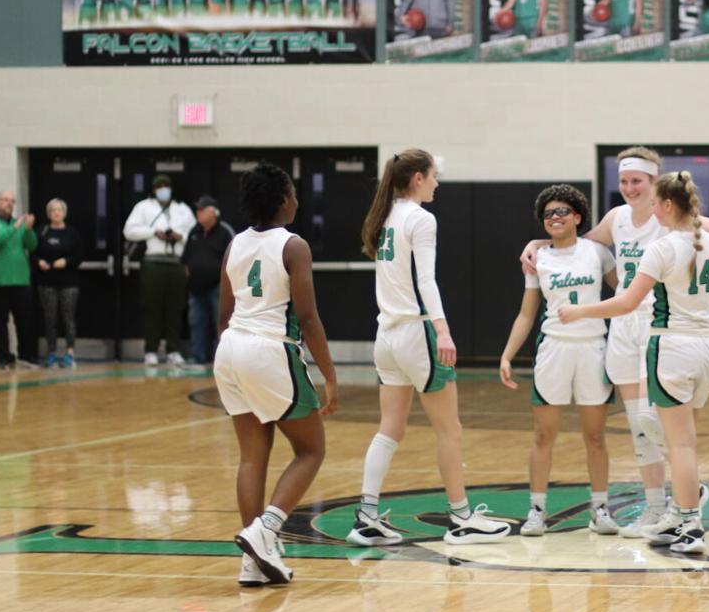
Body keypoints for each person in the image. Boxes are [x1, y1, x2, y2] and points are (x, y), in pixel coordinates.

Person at [518, 147, 709, 538]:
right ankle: (657, 508)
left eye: (636, 181)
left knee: (656, 421)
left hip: (658, 324)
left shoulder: (672, 222)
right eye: (623, 181)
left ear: (655, 184)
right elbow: (577, 246)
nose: (629, 188)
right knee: (637, 426)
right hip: (622, 324)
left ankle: (686, 498)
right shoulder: (617, 219)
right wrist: (539, 244)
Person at [346, 149, 510, 547]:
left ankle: (366, 517)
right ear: (417, 178)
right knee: (449, 429)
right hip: (417, 334)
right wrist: (444, 330)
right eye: (434, 176)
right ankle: (461, 518)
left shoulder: (383, 216)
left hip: (385, 335)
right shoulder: (421, 218)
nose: (438, 183)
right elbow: (427, 281)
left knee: (390, 428)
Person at [220, 163, 337, 587]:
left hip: (230, 348)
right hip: (270, 350)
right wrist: (330, 375)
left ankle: (253, 563)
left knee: (252, 456)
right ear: (283, 200)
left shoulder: (233, 244)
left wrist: (236, 357)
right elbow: (307, 317)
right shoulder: (294, 246)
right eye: (293, 193)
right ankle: (265, 530)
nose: (297, 200)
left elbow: (223, 315)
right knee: (311, 450)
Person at [497, 185, 620, 537]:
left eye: (562, 212)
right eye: (549, 214)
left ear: (578, 217)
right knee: (543, 434)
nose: (555, 218)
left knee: (595, 436)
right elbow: (526, 314)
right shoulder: (537, 259)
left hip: (593, 348)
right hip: (553, 349)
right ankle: (537, 510)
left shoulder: (597, 253)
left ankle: (600, 509)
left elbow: (625, 296)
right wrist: (507, 354)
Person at [122, 174, 195, 365]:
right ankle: (151, 350)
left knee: (175, 307)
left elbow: (194, 234)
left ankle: (173, 349)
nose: (163, 189)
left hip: (176, 262)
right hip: (153, 262)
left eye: (166, 186)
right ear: (154, 190)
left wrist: (179, 236)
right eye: (159, 186)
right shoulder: (144, 207)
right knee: (151, 307)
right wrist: (154, 232)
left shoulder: (183, 210)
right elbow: (129, 231)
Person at [0, 190, 38, 370]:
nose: (9, 203)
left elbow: (32, 245)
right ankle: (2, 358)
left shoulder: (18, 224)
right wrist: (14, 228)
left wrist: (27, 230)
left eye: (12, 201)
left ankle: (26, 356)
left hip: (20, 280)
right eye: (5, 200)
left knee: (24, 320)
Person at [183, 196, 235, 365]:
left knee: (221, 323)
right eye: (197, 210)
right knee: (196, 323)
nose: (197, 213)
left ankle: (223, 360)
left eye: (201, 210)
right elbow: (186, 256)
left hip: (217, 288)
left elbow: (234, 258)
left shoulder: (225, 232)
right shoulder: (194, 231)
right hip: (196, 288)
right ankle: (198, 357)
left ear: (212, 213)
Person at [34, 198, 82, 369]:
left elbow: (79, 256)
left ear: (64, 213)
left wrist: (66, 262)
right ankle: (52, 353)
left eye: (59, 210)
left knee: (68, 317)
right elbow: (33, 253)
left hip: (69, 282)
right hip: (47, 282)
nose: (56, 213)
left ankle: (69, 352)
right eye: (53, 210)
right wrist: (39, 262)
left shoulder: (72, 233)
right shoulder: (42, 231)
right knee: (50, 318)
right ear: (49, 213)